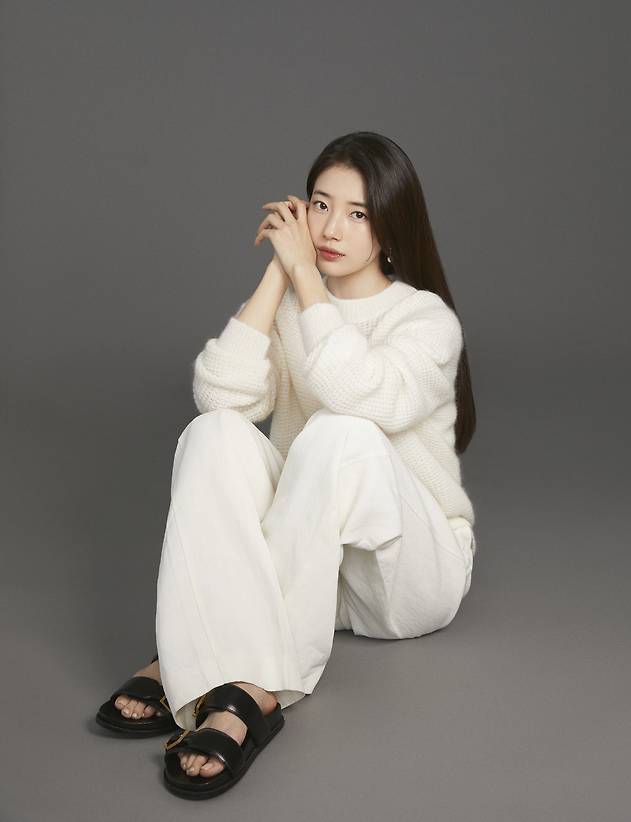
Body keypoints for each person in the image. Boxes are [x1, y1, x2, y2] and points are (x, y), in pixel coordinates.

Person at [95, 131, 478, 800]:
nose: (330, 229)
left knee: (339, 431)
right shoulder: (295, 300)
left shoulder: (425, 319)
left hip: (407, 575)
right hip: (314, 575)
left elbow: (359, 396)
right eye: (320, 206)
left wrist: (306, 276)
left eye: (358, 213)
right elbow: (222, 396)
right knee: (213, 432)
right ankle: (208, 660)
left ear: (392, 224)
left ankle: (241, 682)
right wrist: (278, 273)